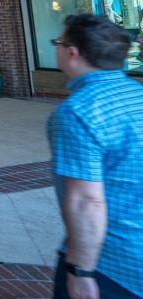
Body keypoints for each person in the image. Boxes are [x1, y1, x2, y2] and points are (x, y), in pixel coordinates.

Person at [49, 15, 142, 299]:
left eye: (58, 43)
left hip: (111, 261)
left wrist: (81, 271)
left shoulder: (78, 112)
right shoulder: (137, 95)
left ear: (72, 52)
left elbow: (87, 200)